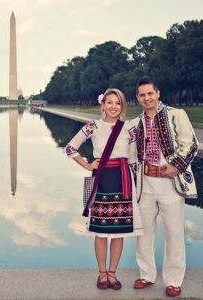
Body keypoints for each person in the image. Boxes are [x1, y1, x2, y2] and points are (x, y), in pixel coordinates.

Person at [127, 77, 199, 297]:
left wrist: (176, 166)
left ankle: (174, 281)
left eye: (150, 93)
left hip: (171, 184)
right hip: (145, 185)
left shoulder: (177, 115)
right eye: (142, 95)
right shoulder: (134, 123)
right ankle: (146, 275)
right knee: (144, 233)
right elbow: (126, 152)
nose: (147, 98)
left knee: (174, 233)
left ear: (158, 93)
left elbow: (191, 144)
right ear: (137, 98)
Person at [66, 88, 143, 290]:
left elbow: (134, 159)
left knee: (118, 232)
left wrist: (136, 184)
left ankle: (113, 274)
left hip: (123, 181)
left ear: (122, 106)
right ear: (103, 105)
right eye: (109, 102)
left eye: (117, 103)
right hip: (101, 179)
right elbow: (70, 148)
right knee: (100, 232)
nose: (113, 106)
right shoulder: (93, 126)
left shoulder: (129, 129)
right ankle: (102, 275)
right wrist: (88, 165)